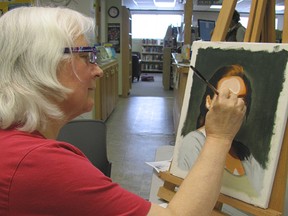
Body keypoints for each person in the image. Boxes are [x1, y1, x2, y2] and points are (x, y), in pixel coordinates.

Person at [0, 7, 246, 215]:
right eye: (88, 57)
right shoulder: (39, 165)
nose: (98, 70)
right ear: (42, 65)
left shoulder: (14, 143)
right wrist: (219, 137)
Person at [177, 65, 264, 196]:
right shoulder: (193, 143)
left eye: (242, 99)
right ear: (208, 101)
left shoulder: (244, 153)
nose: (235, 105)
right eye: (227, 97)